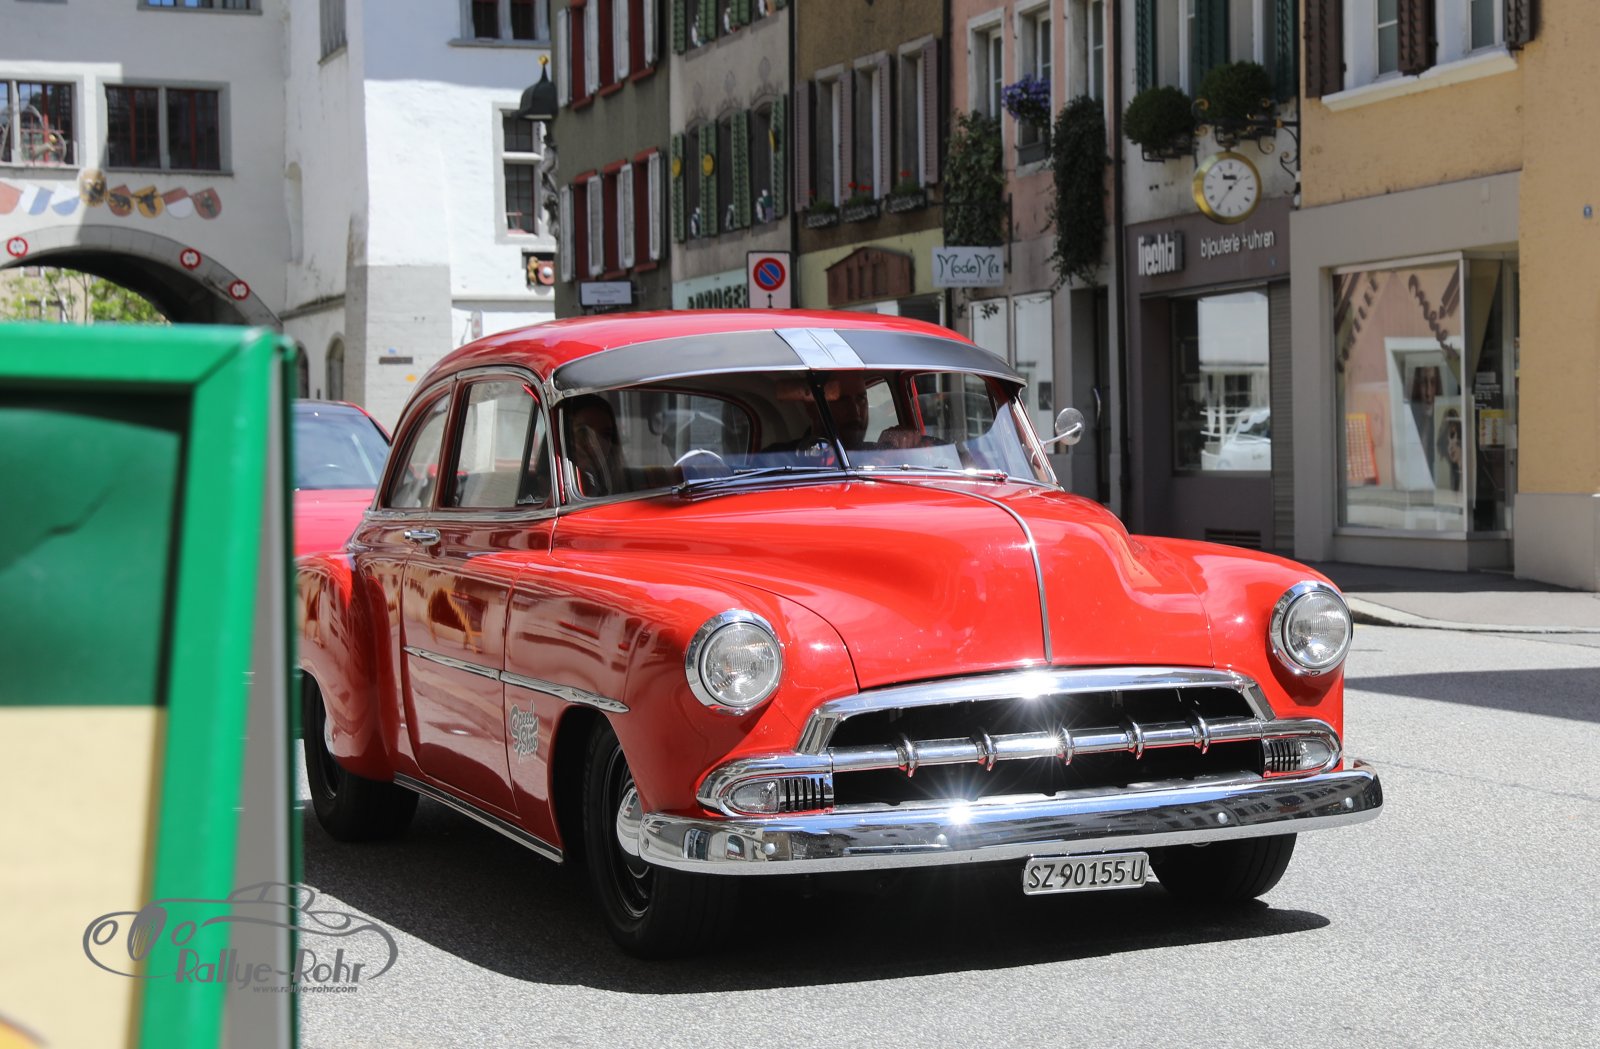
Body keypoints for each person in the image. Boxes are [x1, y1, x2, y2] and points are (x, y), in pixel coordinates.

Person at [563, 394, 622, 496]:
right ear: (565, 436)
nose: (596, 444)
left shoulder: (620, 486)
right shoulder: (550, 489)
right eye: (583, 432)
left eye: (605, 434)